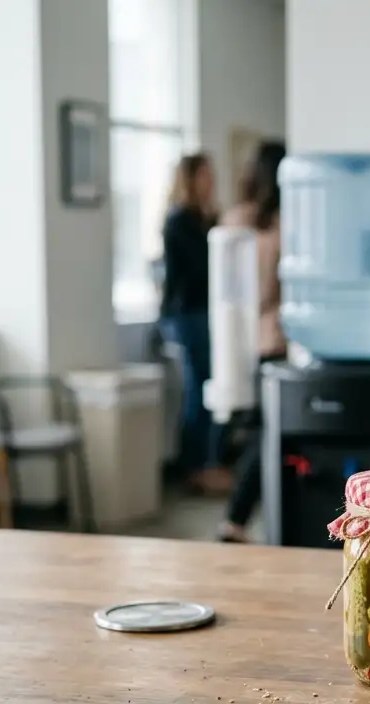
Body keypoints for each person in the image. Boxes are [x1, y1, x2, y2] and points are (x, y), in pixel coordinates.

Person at [217, 141, 287, 543]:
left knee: (258, 433)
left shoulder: (233, 220)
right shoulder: (280, 225)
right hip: (274, 341)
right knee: (268, 435)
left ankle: (238, 521)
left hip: (236, 344)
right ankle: (237, 520)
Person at [160, 152, 231, 494]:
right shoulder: (180, 221)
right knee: (199, 390)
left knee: (210, 389)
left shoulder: (206, 219)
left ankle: (208, 463)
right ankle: (195, 467)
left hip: (205, 312)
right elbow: (197, 272)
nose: (210, 180)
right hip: (188, 314)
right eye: (204, 174)